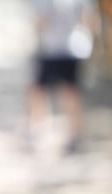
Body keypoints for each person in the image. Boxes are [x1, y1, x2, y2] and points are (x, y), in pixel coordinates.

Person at [27, 0, 94, 153]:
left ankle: (43, 132)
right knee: (67, 92)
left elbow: (38, 22)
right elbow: (88, 21)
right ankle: (72, 134)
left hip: (56, 50)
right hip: (67, 49)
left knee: (44, 91)